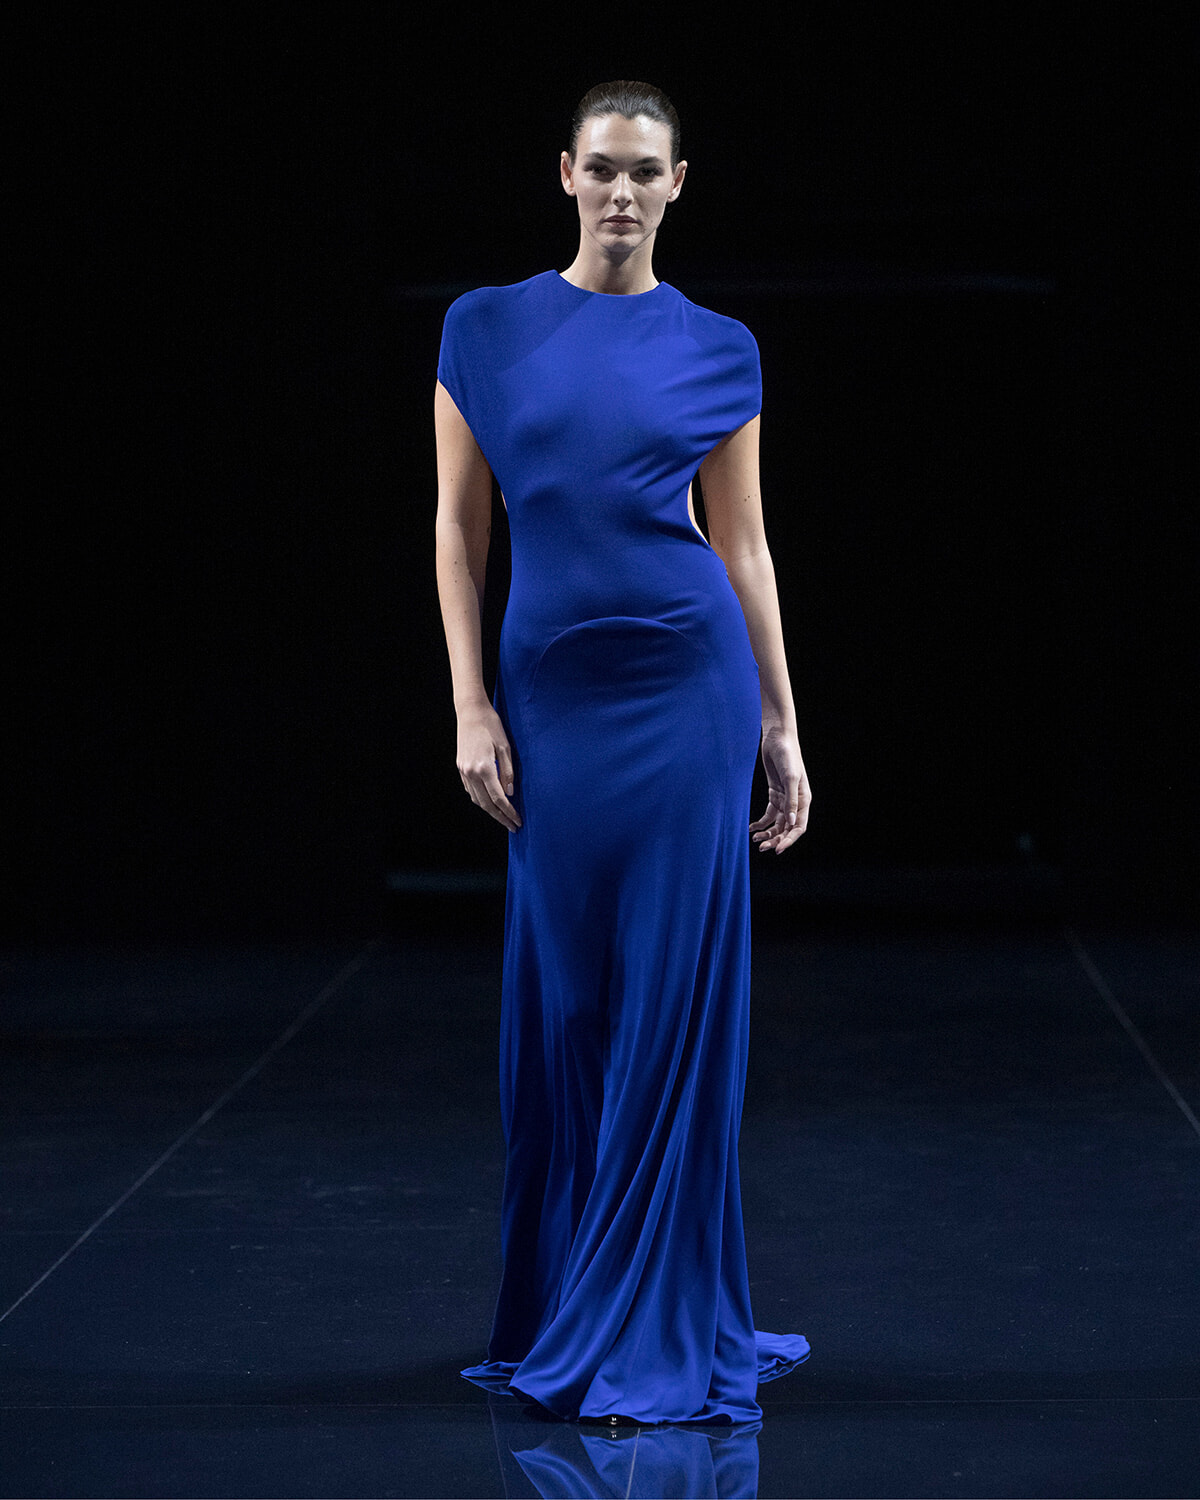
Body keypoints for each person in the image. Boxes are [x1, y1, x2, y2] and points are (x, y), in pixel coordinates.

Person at [434, 80, 812, 1426]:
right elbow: (460, 532)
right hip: (551, 704)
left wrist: (781, 727)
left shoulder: (722, 347)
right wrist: (471, 705)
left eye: (646, 173)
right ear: (564, 172)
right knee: (570, 1007)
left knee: (674, 1007)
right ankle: (568, 1296)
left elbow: (746, 547)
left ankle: (655, 1316)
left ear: (680, 182)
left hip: (688, 695)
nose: (622, 193)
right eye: (602, 169)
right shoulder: (483, 329)